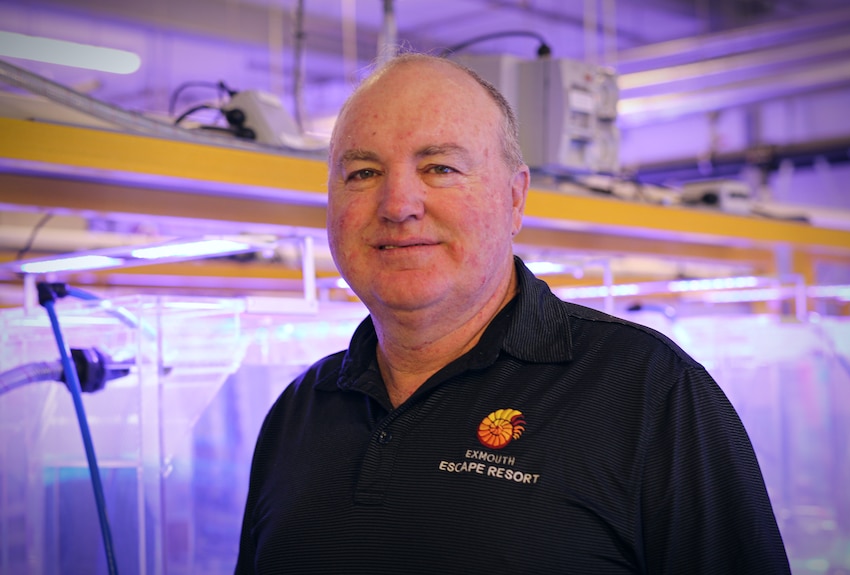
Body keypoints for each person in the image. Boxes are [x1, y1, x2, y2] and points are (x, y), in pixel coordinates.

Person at [235, 52, 790, 574]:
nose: (399, 205)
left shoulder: (649, 392)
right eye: (362, 173)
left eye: (440, 167)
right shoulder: (298, 412)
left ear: (515, 198)